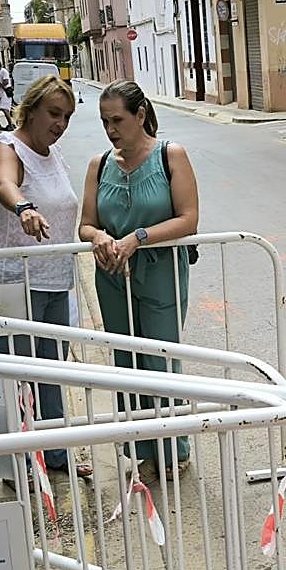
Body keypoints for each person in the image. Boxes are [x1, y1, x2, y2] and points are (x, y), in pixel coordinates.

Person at [78, 79, 199, 478]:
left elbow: (188, 219)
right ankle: (145, 450)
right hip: (112, 275)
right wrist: (99, 237)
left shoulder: (170, 155)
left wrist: (138, 238)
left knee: (160, 359)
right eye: (104, 121)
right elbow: (85, 224)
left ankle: (174, 451)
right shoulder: (99, 165)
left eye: (118, 120)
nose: (111, 130)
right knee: (126, 362)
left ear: (141, 116)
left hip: (161, 271)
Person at [0, 74, 89, 478]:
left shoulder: (52, 155)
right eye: (54, 114)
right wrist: (24, 208)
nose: (60, 124)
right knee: (20, 374)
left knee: (52, 369)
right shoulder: (7, 147)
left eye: (68, 117)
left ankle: (56, 455)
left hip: (54, 279)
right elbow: (5, 182)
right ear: (31, 108)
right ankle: (21, 463)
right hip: (12, 280)